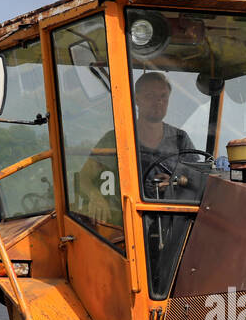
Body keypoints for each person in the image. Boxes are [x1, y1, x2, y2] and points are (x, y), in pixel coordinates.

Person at [77, 72, 197, 225]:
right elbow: (83, 179)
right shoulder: (116, 139)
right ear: (137, 99)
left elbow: (195, 183)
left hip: (170, 225)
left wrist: (174, 183)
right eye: (150, 96)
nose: (158, 102)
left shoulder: (181, 140)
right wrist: (95, 196)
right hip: (124, 225)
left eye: (163, 96)